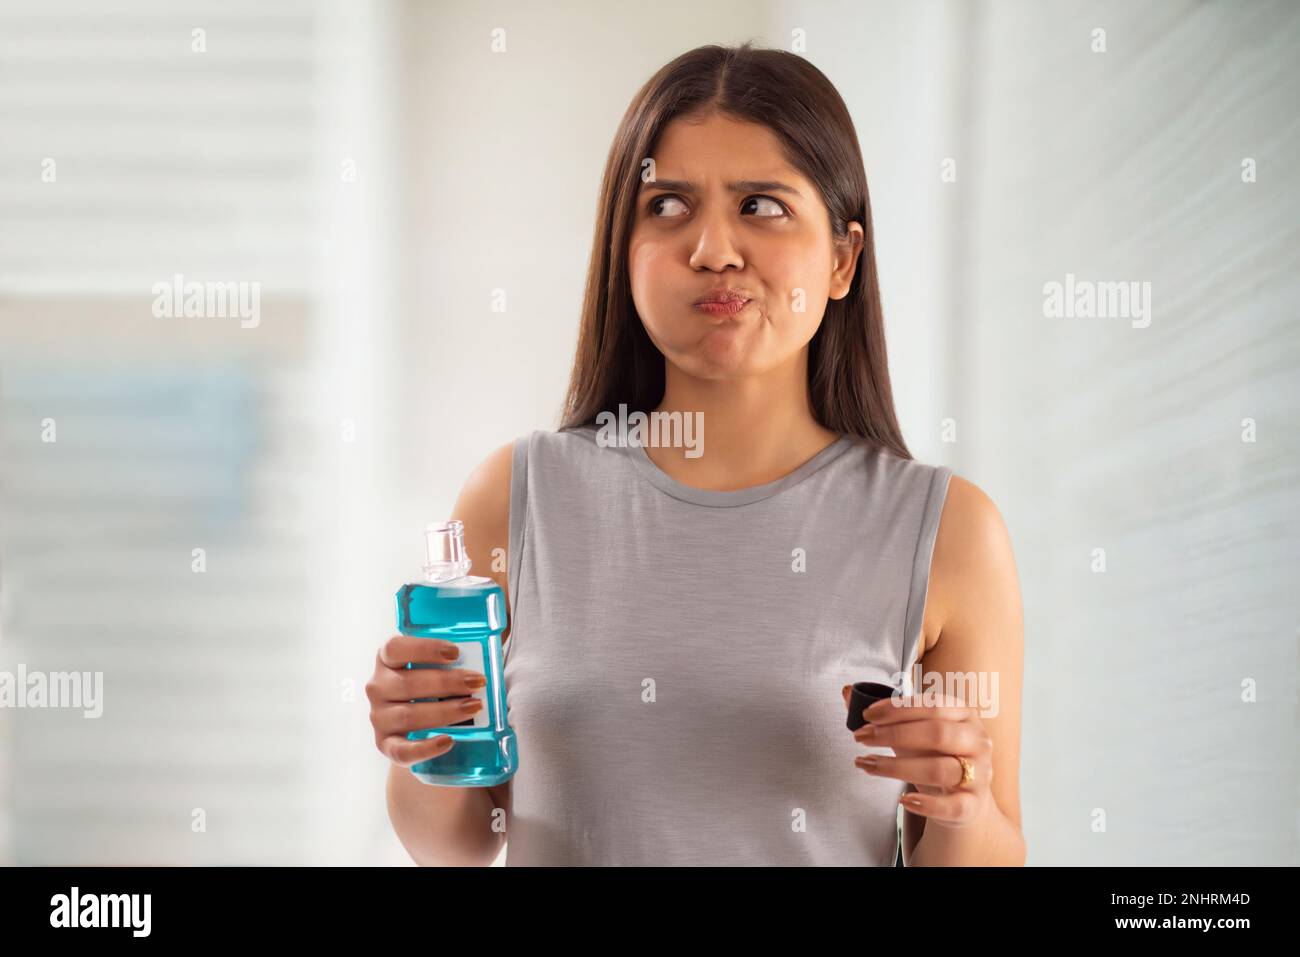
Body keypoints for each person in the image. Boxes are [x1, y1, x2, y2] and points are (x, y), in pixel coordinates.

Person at [370, 41, 1025, 866]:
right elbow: (458, 845)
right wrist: (416, 742)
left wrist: (961, 802)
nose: (714, 247)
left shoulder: (951, 531)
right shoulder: (514, 496)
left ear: (842, 259)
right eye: (669, 206)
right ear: (625, 252)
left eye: (761, 205)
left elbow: (992, 841)